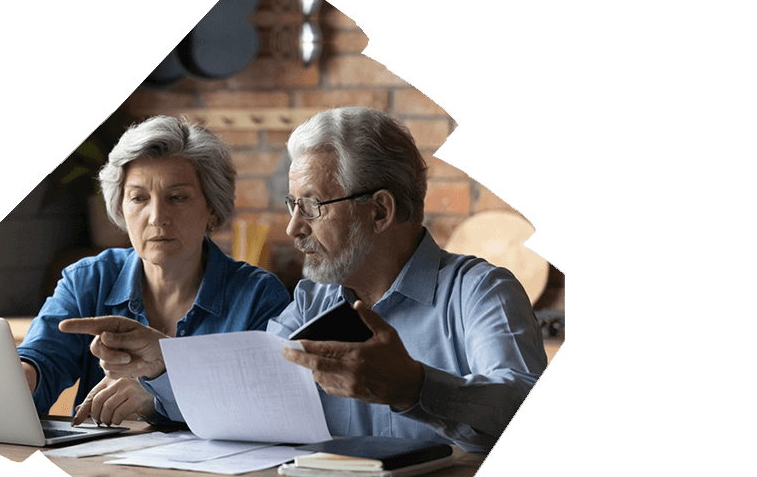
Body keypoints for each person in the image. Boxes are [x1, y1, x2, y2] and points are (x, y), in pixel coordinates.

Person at [78, 107, 547, 452]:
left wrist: (414, 387)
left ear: (380, 210)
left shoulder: (480, 291)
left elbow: (518, 401)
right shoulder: (311, 303)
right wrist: (164, 364)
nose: (293, 228)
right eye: (292, 205)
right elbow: (247, 396)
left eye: (313, 207)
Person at [16, 115, 291, 426]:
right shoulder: (88, 280)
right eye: (139, 198)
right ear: (121, 209)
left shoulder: (258, 296)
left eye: (177, 197)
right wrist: (23, 379)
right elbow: (42, 359)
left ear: (212, 210)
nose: (157, 216)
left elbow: (269, 406)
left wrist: (158, 398)